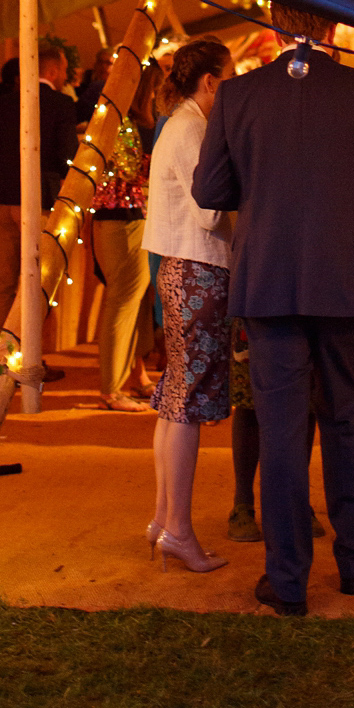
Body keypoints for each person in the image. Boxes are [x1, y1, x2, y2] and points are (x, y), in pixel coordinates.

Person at [194, 2, 354, 618]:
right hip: (345, 281)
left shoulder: (238, 94)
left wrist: (265, 180)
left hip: (269, 281)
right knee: (346, 419)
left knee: (281, 430)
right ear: (331, 27)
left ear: (274, 25)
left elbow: (208, 190)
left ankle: (288, 579)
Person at [143, 38, 236, 574]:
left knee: (177, 396)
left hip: (182, 270)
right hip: (196, 269)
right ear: (209, 82)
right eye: (229, 76)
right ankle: (179, 528)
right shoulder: (191, 129)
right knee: (190, 402)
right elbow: (209, 210)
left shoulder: (179, 124)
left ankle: (163, 520)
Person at [0, 41, 79, 341]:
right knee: (36, 285)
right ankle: (30, 357)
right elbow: (68, 155)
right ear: (52, 69)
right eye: (63, 70)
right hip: (40, 203)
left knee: (4, 286)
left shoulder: (5, 102)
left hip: (2, 200)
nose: (65, 76)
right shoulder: (62, 105)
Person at [91, 61, 162, 412]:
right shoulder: (122, 123)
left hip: (131, 216)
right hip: (121, 217)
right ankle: (111, 388)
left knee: (136, 301)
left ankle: (135, 376)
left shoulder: (120, 119)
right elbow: (130, 170)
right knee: (123, 301)